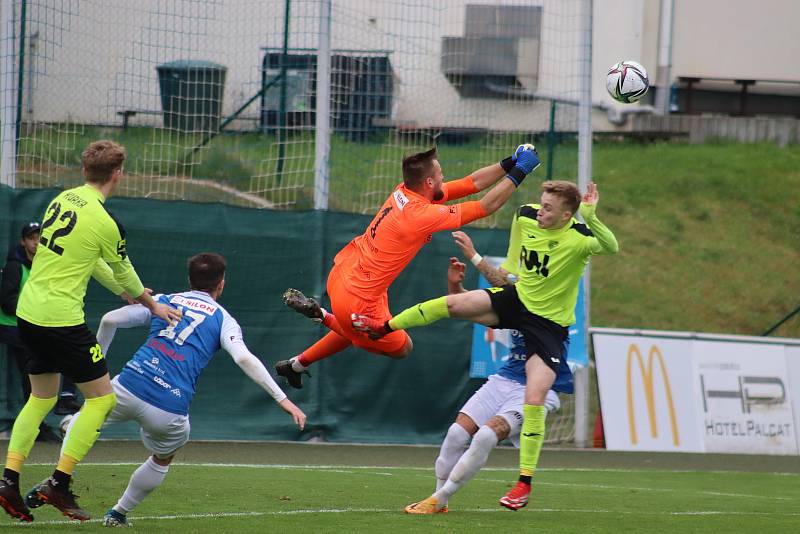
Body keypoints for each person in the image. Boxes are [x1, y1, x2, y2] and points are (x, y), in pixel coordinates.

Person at [353, 180, 618, 510]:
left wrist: (590, 215)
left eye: (549, 208)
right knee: (452, 305)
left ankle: (523, 484)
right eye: (541, 203)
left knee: (534, 398)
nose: (541, 211)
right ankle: (383, 326)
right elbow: (507, 272)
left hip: (547, 326)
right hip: (517, 300)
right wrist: (473, 265)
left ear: (567, 215)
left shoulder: (578, 239)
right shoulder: (525, 217)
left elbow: (611, 246)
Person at [24, 252, 307, 527]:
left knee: (90, 415)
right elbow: (243, 357)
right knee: (163, 456)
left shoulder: (163, 301)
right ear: (221, 284)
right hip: (169, 406)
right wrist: (284, 400)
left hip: (128, 385)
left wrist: (95, 368)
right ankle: (117, 513)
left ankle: (66, 449)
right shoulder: (223, 319)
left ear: (189, 279)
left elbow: (111, 319)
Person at [0, 140, 182, 523]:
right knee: (101, 400)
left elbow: (92, 258)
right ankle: (59, 483)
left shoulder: (62, 200)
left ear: (85, 172)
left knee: (40, 399)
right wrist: (150, 303)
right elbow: (124, 268)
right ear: (118, 174)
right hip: (60, 321)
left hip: (29, 314)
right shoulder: (106, 220)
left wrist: (124, 292)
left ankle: (9, 481)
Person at [275, 145, 541, 389]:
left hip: (345, 273)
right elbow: (486, 205)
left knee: (359, 331)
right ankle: (322, 316)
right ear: (428, 182)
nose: (443, 177)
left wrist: (510, 161)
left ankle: (296, 364)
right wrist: (521, 171)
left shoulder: (405, 190)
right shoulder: (420, 215)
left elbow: (472, 183)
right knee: (401, 346)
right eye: (440, 174)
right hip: (359, 297)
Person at [404, 256, 568, 514]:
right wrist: (455, 287)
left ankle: (440, 498)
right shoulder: (513, 306)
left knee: (485, 436)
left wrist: (473, 254)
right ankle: (438, 498)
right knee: (456, 434)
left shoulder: (554, 308)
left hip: (536, 392)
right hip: (504, 380)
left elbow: (502, 282)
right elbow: (469, 309)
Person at [1, 222, 81, 442]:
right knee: (33, 377)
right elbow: (7, 301)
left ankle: (63, 401)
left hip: (39, 326)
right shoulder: (15, 267)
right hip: (16, 329)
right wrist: (35, 309)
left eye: (39, 237)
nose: (36, 242)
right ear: (23, 241)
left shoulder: (47, 264)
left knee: (46, 370)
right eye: (32, 238)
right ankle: (37, 426)